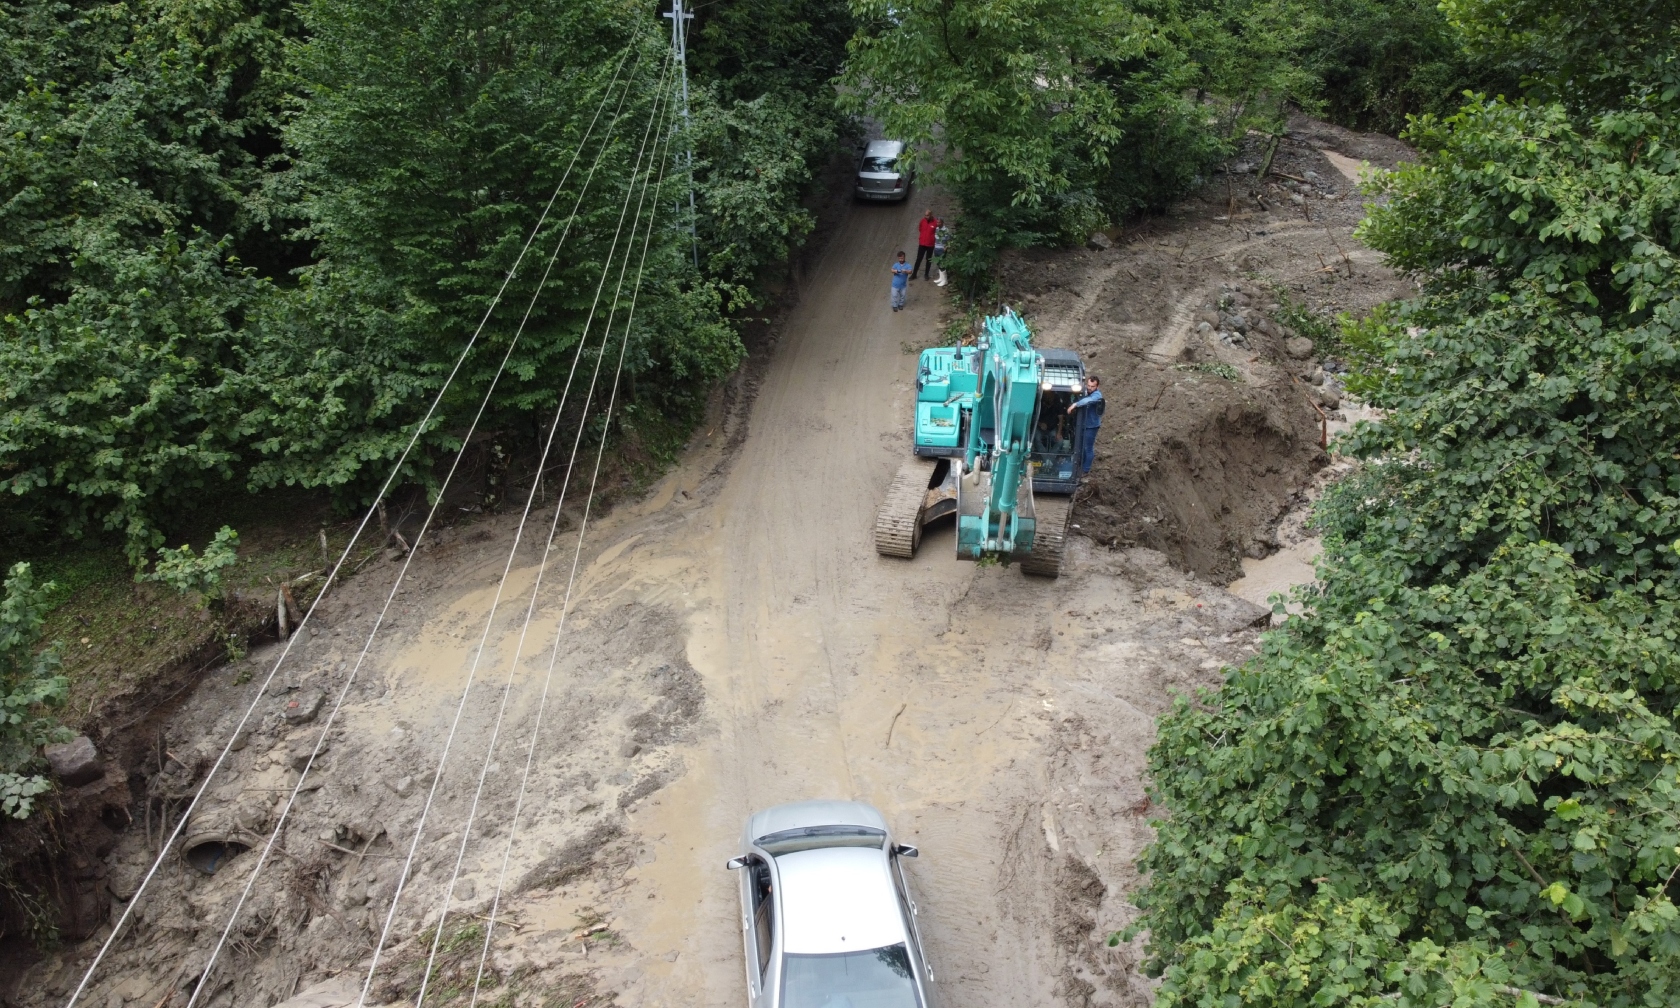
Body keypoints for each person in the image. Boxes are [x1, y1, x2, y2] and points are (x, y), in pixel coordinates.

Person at [1065, 375, 1104, 474]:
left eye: (1092, 386)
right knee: (1079, 446)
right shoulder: (1084, 392)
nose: (1090, 388)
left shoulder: (1097, 395)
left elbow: (1088, 401)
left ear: (1097, 387)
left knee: (1088, 447)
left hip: (1091, 426)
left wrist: (1075, 405)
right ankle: (1078, 466)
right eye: (1089, 385)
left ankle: (1085, 470)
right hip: (1082, 425)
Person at [911, 209, 941, 280]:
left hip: (930, 244)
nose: (926, 216)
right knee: (919, 259)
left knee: (928, 259)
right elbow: (920, 228)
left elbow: (937, 231)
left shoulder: (935, 223)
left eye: (927, 215)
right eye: (925, 215)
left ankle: (926, 274)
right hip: (922, 243)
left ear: (931, 215)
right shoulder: (922, 221)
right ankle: (914, 274)